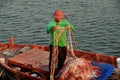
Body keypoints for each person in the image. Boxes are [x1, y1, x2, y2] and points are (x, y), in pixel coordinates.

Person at [46, 9, 74, 80]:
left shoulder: (64, 22)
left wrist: (69, 26)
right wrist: (52, 28)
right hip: (54, 44)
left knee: (62, 59)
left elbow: (72, 27)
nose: (58, 18)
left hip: (63, 44)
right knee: (52, 60)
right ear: (55, 17)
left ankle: (59, 72)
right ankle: (51, 75)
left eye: (59, 17)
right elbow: (47, 29)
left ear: (62, 17)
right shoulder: (52, 23)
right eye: (57, 17)